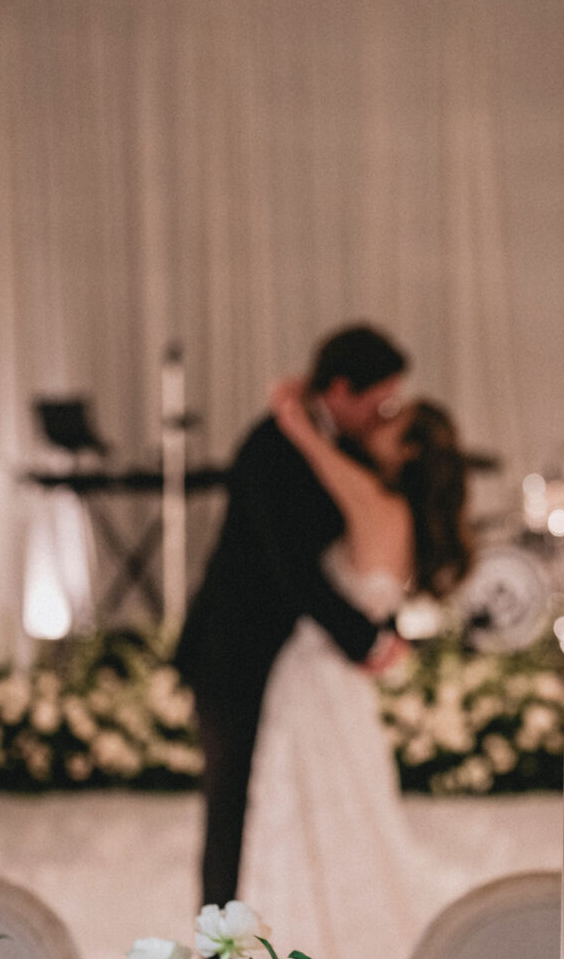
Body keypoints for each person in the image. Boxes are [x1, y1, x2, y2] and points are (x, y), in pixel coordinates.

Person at [236, 383, 473, 959]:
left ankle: (301, 955)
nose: (380, 420)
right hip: (340, 685)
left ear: (411, 452)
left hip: (314, 680)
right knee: (340, 817)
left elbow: (316, 456)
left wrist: (294, 414)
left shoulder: (371, 497)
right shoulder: (399, 512)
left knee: (304, 815)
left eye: (395, 420)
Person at [175, 324, 410, 912]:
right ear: (339, 389)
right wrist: (364, 639)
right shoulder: (272, 445)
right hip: (235, 655)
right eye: (377, 399)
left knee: (276, 808)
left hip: (290, 658)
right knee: (232, 808)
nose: (384, 413)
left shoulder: (322, 443)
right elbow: (292, 569)